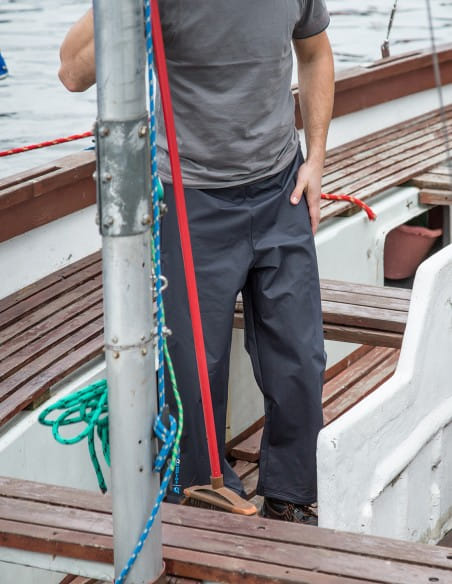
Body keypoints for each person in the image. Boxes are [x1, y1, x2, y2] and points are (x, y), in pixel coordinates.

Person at [59, 1, 334, 525]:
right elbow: (72, 72)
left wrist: (317, 158)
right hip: (191, 199)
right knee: (193, 374)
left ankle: (291, 498)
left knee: (301, 358)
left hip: (282, 188)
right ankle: (202, 502)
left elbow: (316, 53)